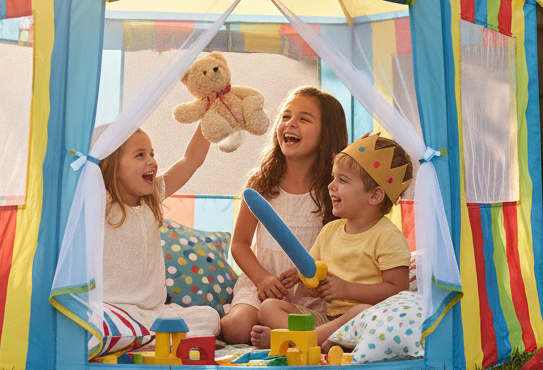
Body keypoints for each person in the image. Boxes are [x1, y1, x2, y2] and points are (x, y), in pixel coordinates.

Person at [250, 133, 412, 350]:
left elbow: (397, 290)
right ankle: (311, 339)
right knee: (268, 308)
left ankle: (296, 340)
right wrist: (301, 275)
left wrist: (347, 290)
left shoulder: (387, 236)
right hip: (329, 319)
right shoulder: (330, 231)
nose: (331, 186)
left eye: (342, 180)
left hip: (366, 321)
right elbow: (315, 271)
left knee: (359, 310)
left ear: (374, 196)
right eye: (333, 178)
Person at [219, 87, 348, 344]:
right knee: (236, 329)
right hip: (262, 283)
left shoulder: (335, 189)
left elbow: (344, 247)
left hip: (313, 293)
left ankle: (285, 336)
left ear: (327, 133)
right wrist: (262, 279)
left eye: (304, 119)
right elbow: (240, 244)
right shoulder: (261, 184)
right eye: (286, 116)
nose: (290, 123)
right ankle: (283, 335)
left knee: (325, 326)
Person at [100, 126, 221, 337]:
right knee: (97, 325)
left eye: (152, 154)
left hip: (154, 314)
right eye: (140, 155)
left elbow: (191, 160)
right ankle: (143, 339)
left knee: (209, 318)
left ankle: (143, 339)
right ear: (112, 167)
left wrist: (209, 118)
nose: (152, 161)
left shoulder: (152, 198)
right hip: (113, 312)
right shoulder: (102, 202)